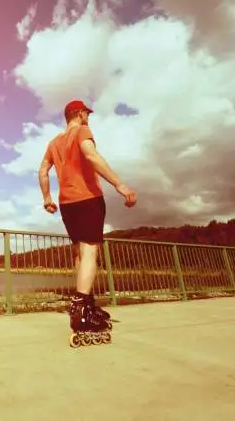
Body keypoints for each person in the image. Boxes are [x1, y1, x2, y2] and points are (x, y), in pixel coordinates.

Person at [38, 99, 137, 345]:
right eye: (87, 113)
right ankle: (80, 309)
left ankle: (87, 305)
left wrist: (47, 198)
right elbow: (91, 156)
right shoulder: (82, 131)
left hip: (67, 204)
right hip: (88, 199)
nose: (88, 117)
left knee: (80, 255)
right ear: (79, 113)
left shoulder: (54, 142)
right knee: (91, 250)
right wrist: (119, 184)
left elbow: (42, 171)